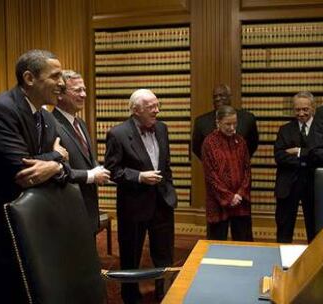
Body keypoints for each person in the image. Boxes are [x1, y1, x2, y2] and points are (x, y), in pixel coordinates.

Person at [0, 49, 69, 303]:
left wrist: (57, 166)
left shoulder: (46, 118)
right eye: (55, 76)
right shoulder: (2, 108)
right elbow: (23, 170)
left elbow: (65, 172)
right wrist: (57, 158)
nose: (62, 83)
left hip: (31, 226)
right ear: (29, 78)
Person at [104, 89, 177, 304]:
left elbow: (166, 165)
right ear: (135, 110)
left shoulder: (162, 128)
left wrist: (170, 190)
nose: (157, 110)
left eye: (157, 105)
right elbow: (112, 170)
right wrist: (138, 177)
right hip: (133, 206)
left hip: (162, 202)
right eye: (151, 107)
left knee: (164, 256)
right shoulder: (117, 134)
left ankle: (165, 294)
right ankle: (131, 297)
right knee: (131, 257)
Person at [53, 70, 110, 235]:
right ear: (60, 95)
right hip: (68, 211)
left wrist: (98, 170)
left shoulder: (81, 123)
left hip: (88, 207)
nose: (84, 95)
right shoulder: (51, 124)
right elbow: (57, 171)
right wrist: (91, 175)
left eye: (84, 89)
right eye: (78, 90)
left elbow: (87, 158)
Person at [201, 105, 253, 241]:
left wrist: (240, 194)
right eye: (227, 124)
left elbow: (247, 170)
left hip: (241, 201)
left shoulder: (240, 141)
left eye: (234, 124)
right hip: (218, 201)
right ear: (218, 123)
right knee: (216, 245)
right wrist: (229, 197)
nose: (232, 128)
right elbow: (211, 176)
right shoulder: (209, 143)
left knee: (243, 242)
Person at [274, 92, 316, 243]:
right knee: (284, 230)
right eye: (297, 110)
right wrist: (306, 160)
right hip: (287, 186)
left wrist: (297, 152)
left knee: (315, 230)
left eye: (305, 109)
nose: (301, 113)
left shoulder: (321, 129)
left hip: (313, 185)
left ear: (313, 108)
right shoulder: (285, 130)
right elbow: (279, 156)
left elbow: (320, 155)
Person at [192, 84, 259, 159]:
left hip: (239, 166)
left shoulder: (247, 118)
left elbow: (253, 144)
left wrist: (240, 160)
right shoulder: (201, 122)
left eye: (221, 95)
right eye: (215, 96)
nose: (218, 99)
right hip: (214, 169)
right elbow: (196, 148)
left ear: (230, 97)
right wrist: (211, 162)